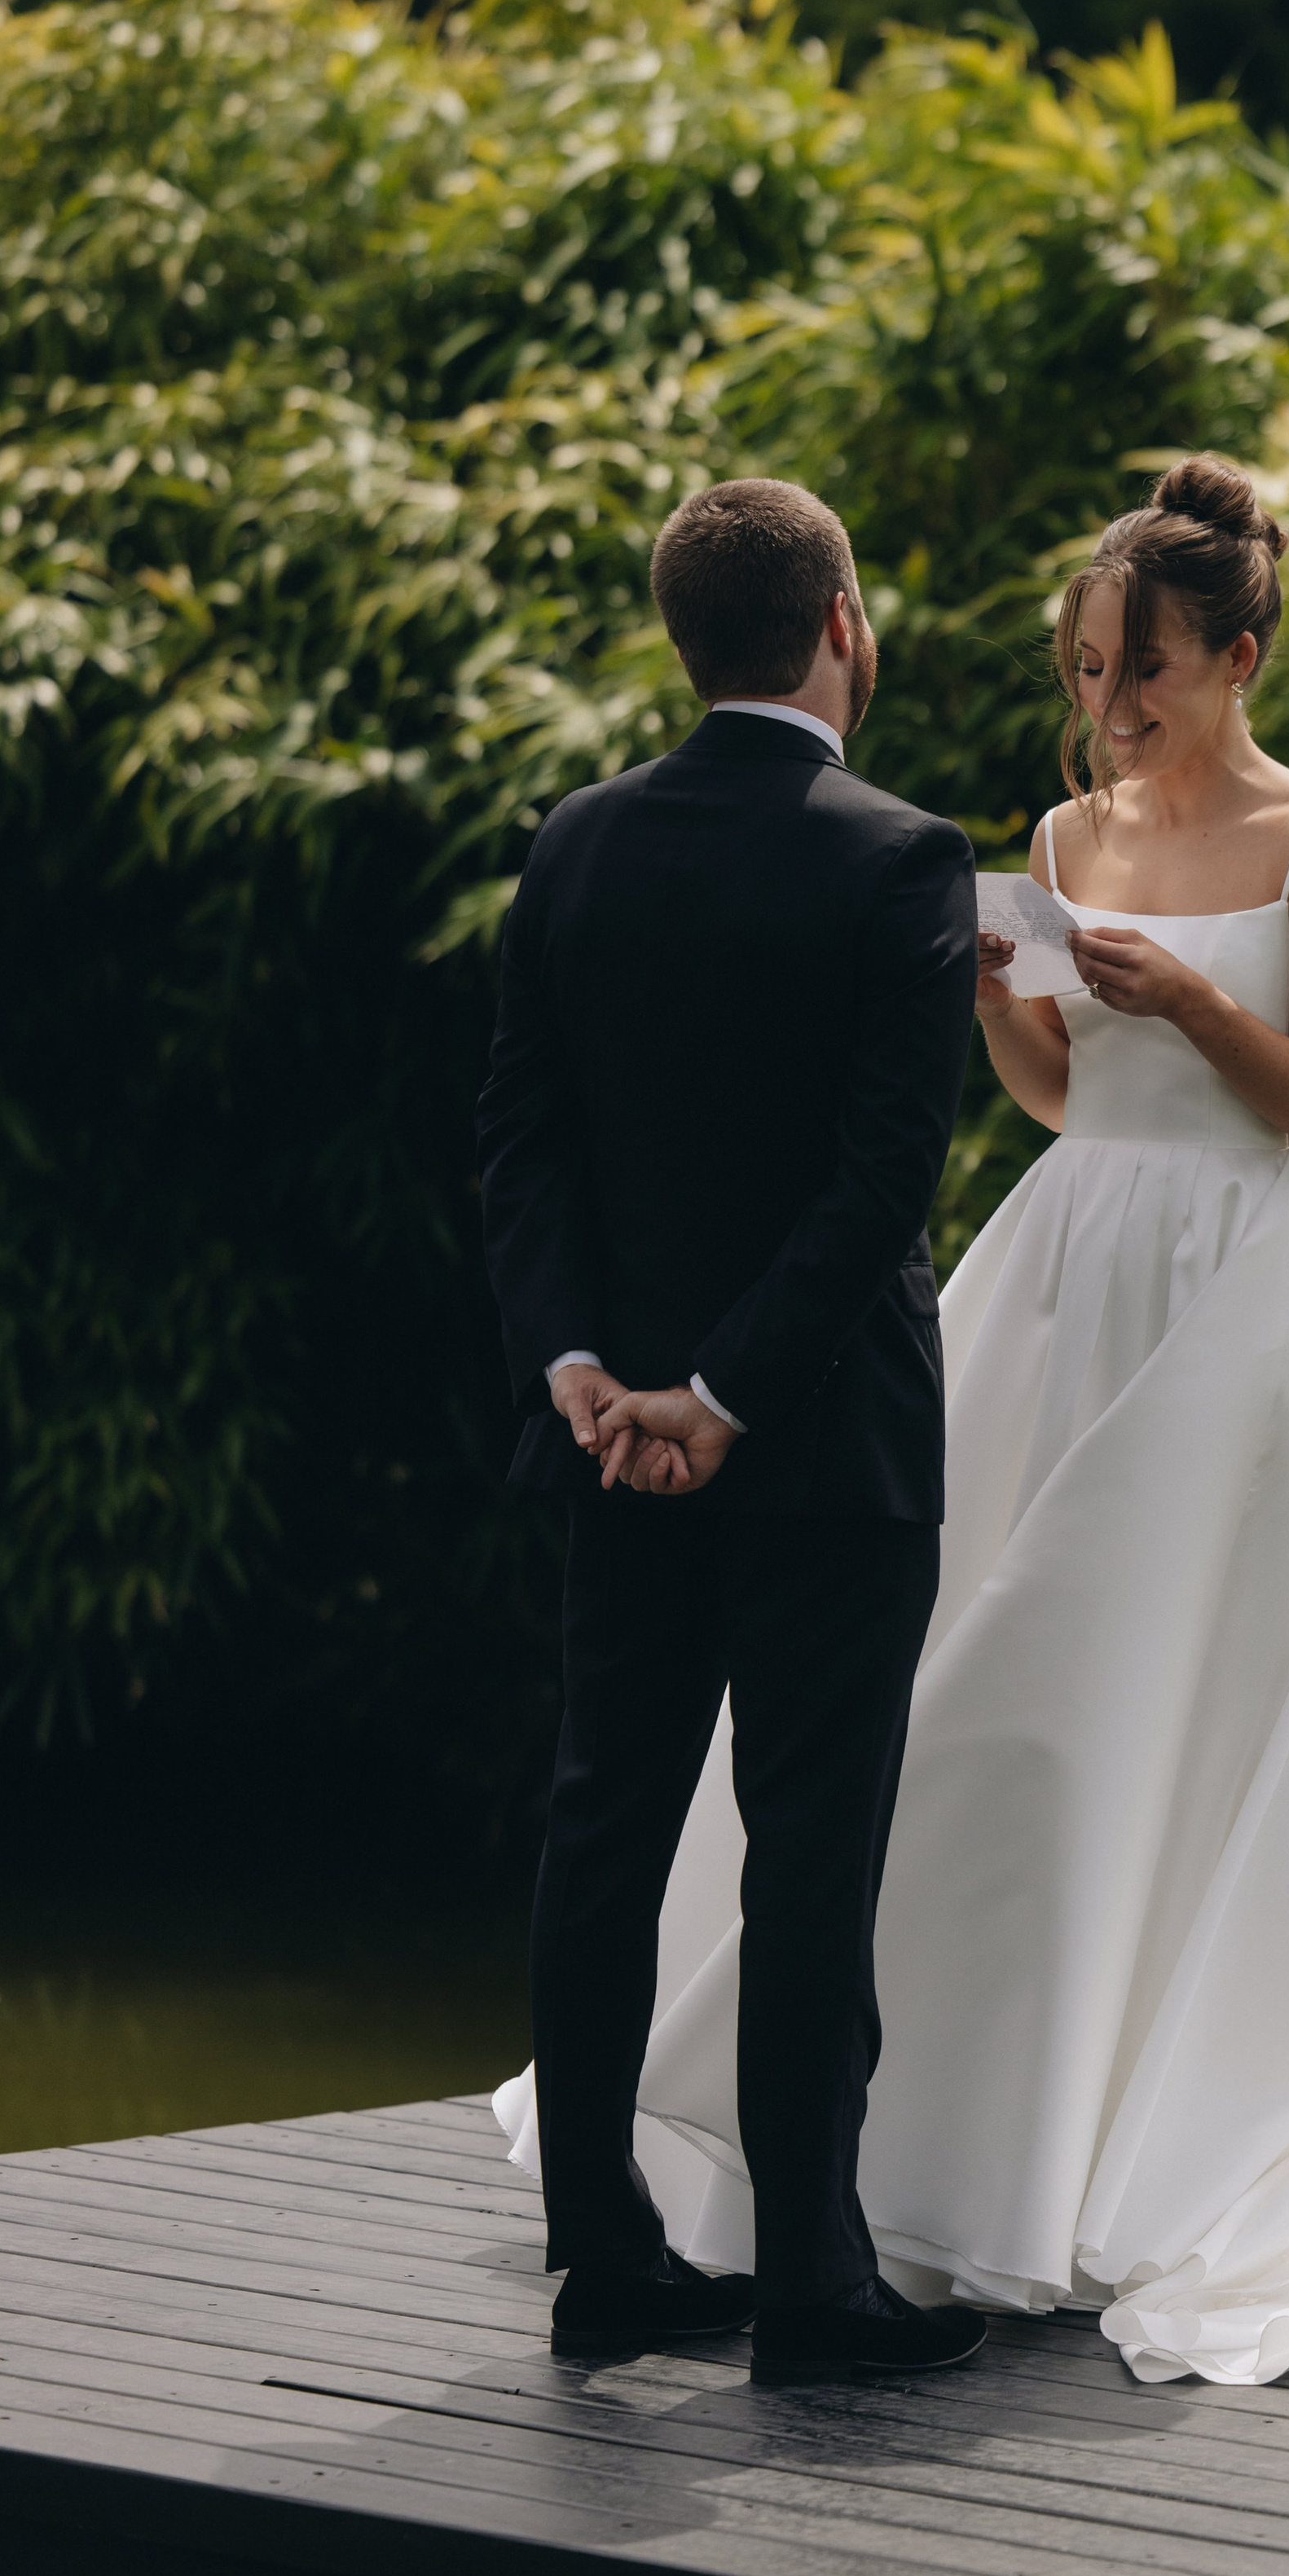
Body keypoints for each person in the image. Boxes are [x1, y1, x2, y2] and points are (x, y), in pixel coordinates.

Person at [513, 451, 1289, 2384]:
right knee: (994, 1693)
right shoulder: (1057, 837)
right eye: (1088, 667)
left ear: (1239, 654)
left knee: (1147, 1697)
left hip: (1237, 1297)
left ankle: (1146, 2132)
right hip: (1070, 1259)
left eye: (1141, 669)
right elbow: (1056, 1102)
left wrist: (1195, 1008)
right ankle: (926, 2159)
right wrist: (1014, 993)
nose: (1107, 705)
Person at [476, 476, 988, 2389]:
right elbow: (874, 1191)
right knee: (811, 1850)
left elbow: (521, 1144)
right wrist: (730, 1393)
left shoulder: (576, 845)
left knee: (603, 1824)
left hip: (610, 1444)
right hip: (823, 1443)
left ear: (680, 636)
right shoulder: (901, 857)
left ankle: (604, 2253)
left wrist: (587, 1370)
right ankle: (813, 2279)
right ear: (843, 624)